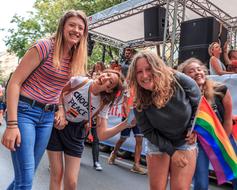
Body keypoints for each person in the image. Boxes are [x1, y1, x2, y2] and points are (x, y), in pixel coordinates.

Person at [1, 10, 88, 190]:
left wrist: (61, 110)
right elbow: (14, 83)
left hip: (47, 118)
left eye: (81, 28)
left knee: (25, 176)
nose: (76, 30)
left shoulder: (75, 58)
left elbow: (59, 89)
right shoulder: (44, 47)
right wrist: (11, 125)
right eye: (72, 25)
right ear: (62, 26)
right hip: (25, 112)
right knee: (25, 181)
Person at [47, 69, 133, 190]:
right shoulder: (80, 81)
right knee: (57, 174)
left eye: (110, 81)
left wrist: (125, 124)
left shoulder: (104, 103)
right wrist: (60, 111)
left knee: (71, 182)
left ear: (109, 90)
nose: (105, 78)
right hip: (57, 126)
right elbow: (58, 90)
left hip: (76, 133)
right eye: (107, 74)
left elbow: (102, 135)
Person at [127, 50, 201, 190]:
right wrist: (172, 152)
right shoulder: (138, 100)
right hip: (158, 142)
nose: (144, 75)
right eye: (139, 72)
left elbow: (199, 106)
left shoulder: (180, 80)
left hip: (184, 141)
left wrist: (194, 128)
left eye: (149, 69)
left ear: (157, 67)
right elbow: (148, 131)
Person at [178, 57, 237, 190]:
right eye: (191, 71)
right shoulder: (181, 97)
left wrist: (223, 141)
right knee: (201, 183)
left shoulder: (221, 89)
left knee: (235, 173)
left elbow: (227, 120)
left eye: (199, 69)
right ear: (184, 77)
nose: (197, 72)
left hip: (223, 136)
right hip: (198, 143)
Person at [87, 61, 106, 171]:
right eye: (96, 67)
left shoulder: (105, 81)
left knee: (96, 139)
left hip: (94, 116)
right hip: (84, 115)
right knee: (80, 138)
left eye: (100, 67)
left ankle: (96, 162)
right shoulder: (89, 80)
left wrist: (98, 118)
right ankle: (73, 158)